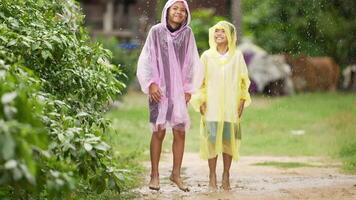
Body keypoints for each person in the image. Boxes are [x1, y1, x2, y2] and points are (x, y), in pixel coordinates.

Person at [136, 0, 202, 192]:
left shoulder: (187, 34)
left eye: (183, 10)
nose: (179, 12)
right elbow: (146, 58)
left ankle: (176, 174)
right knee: (159, 131)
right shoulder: (156, 31)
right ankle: (154, 174)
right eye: (175, 8)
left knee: (180, 131)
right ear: (167, 10)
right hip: (159, 91)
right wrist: (151, 84)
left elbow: (191, 60)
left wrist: (189, 88)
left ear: (186, 14)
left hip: (179, 91)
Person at [191, 21, 251, 191]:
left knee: (228, 141)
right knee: (211, 141)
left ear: (230, 36)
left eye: (222, 32)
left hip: (231, 108)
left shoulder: (237, 56)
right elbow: (199, 82)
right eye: (216, 31)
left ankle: (226, 174)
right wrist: (201, 100)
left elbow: (243, 81)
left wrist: (241, 101)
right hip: (212, 107)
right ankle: (212, 175)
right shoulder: (207, 57)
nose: (218, 35)